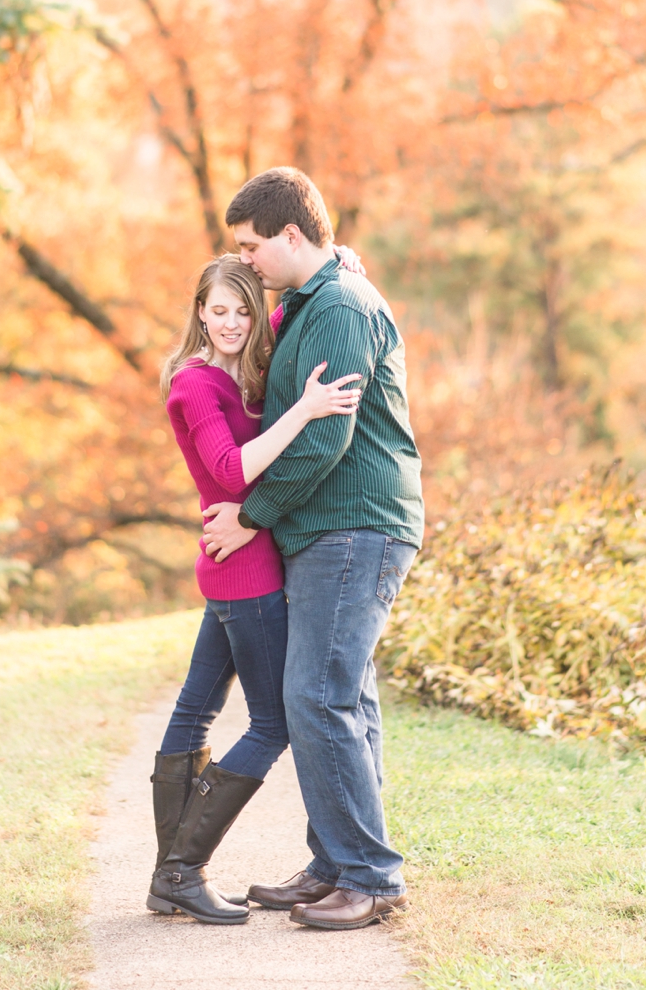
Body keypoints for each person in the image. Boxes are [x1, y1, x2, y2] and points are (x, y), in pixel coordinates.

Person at [201, 166, 425, 931]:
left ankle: (370, 877)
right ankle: (336, 863)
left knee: (317, 697)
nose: (248, 261)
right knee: (344, 697)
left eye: (253, 247)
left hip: (355, 526)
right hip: (330, 529)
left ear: (292, 236)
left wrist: (251, 516)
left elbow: (325, 437)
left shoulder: (339, 306)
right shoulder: (313, 298)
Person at [150, 254, 363, 925]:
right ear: (198, 312)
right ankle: (183, 869)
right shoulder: (195, 385)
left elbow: (272, 311)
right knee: (270, 723)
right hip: (245, 572)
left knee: (196, 712)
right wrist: (304, 410)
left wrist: (340, 265)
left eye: (243, 310)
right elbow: (232, 467)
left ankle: (170, 878)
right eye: (217, 311)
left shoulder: (235, 366)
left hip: (234, 561)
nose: (232, 322)